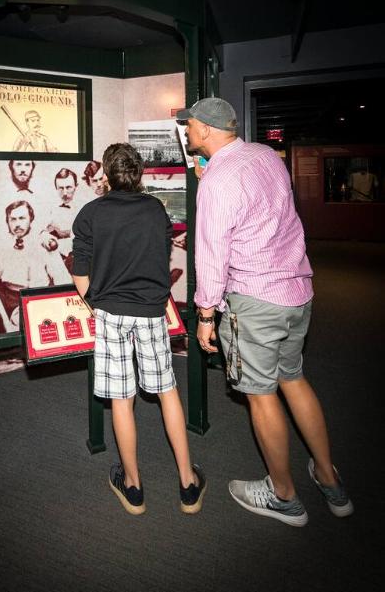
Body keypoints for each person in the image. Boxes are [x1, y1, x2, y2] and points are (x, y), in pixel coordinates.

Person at [178, 97, 353, 526]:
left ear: (204, 130)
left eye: (190, 126)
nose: (186, 132)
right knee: (293, 378)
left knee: (261, 394)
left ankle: (284, 496)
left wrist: (205, 314)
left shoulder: (217, 183)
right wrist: (211, 171)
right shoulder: (263, 155)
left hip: (255, 300)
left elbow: (213, 254)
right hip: (296, 290)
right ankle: (330, 480)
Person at [72, 142, 206, 516]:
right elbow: (160, 261)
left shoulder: (89, 213)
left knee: (121, 399)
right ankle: (187, 483)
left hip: (111, 312)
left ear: (106, 174)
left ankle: (133, 487)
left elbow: (80, 271)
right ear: (140, 172)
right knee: (167, 393)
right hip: (151, 310)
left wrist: (98, 302)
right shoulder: (156, 210)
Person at [0, 200, 69, 332]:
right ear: (7, 221)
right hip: (14, 302)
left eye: (22, 218)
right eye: (12, 219)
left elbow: (62, 277)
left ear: (30, 219)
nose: (17, 224)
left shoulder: (43, 242)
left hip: (43, 297)